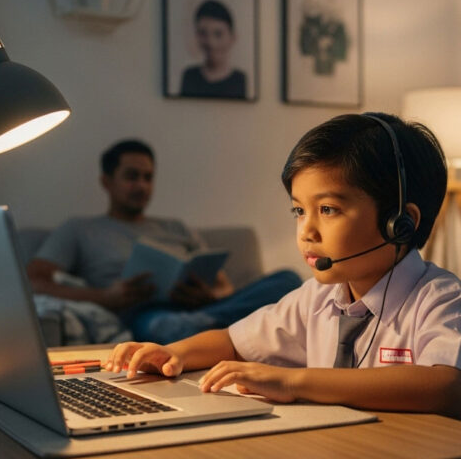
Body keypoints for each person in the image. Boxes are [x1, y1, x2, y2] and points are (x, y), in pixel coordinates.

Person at [105, 113, 461, 459]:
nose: (306, 230)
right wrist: (171, 353)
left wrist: (294, 380)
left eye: (327, 209)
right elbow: (234, 342)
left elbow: (451, 390)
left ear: (401, 223)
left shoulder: (442, 298)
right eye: (298, 210)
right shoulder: (318, 297)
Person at [26, 139, 301, 344]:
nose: (142, 186)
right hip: (146, 314)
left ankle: (209, 329)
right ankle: (235, 328)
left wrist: (209, 295)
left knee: (288, 279)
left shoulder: (175, 227)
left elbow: (223, 284)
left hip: (203, 308)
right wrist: (105, 297)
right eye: (132, 176)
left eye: (148, 177)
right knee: (165, 329)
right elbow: (34, 281)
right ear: (106, 182)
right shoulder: (80, 229)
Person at [179, 0, 247, 99]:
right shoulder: (189, 76)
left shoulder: (240, 79)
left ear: (233, 37)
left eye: (218, 34)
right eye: (203, 33)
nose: (211, 42)